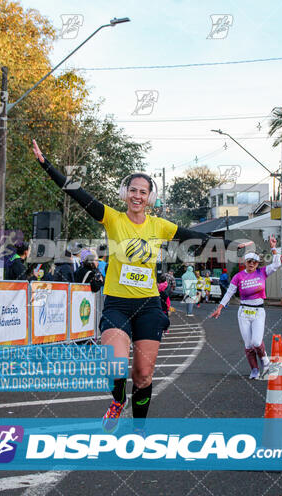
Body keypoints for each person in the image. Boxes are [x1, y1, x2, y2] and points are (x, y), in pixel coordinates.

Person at [33, 139, 210, 432]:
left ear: (150, 197)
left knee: (143, 374)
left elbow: (194, 235)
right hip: (117, 303)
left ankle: (138, 429)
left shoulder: (160, 226)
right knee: (114, 363)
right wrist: (46, 164)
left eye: (143, 192)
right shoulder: (113, 219)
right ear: (125, 194)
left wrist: (234, 244)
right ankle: (117, 401)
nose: (137, 196)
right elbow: (79, 194)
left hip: (148, 305)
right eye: (133, 191)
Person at [210, 236, 280, 380]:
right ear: (245, 262)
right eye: (249, 261)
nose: (252, 264)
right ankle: (254, 370)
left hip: (259, 311)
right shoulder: (238, 276)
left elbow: (277, 264)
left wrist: (273, 248)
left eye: (254, 262)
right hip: (243, 312)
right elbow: (229, 292)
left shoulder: (262, 272)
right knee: (248, 345)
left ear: (257, 263)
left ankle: (265, 360)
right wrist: (220, 307)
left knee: (256, 341)